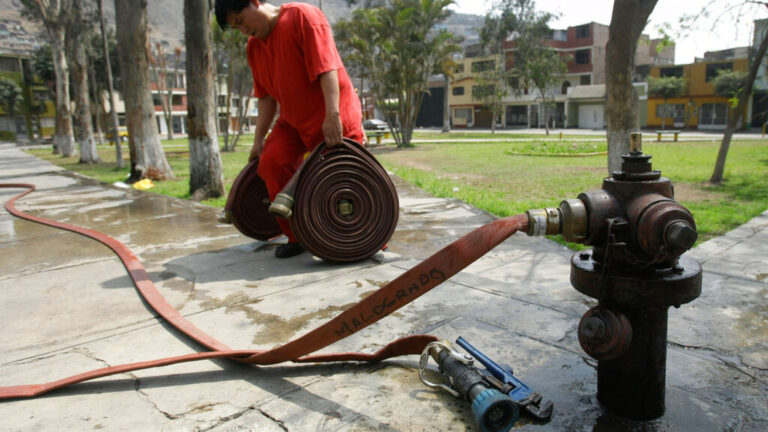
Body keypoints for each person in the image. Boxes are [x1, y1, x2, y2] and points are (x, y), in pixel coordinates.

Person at [215, 0, 365, 258]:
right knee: (271, 161)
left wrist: (333, 115)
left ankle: (368, 239)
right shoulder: (254, 47)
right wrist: (258, 141)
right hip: (293, 121)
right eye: (236, 27)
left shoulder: (302, 17)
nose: (243, 30)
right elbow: (265, 98)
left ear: (255, 2)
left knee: (343, 181)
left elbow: (327, 68)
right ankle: (298, 236)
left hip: (332, 114)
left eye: (240, 21)